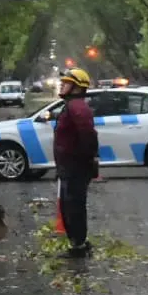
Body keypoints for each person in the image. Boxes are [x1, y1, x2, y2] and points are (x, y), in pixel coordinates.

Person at [54, 67, 99, 258]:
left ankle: (78, 246)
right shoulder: (72, 105)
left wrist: (87, 159)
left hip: (76, 167)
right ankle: (77, 243)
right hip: (70, 167)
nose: (62, 84)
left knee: (74, 207)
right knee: (68, 206)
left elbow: (88, 135)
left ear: (77, 87)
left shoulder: (77, 107)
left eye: (66, 82)